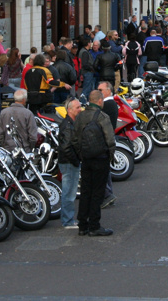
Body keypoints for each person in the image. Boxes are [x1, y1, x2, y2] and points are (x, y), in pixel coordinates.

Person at [73, 90, 115, 236]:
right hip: (100, 158)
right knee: (98, 192)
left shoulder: (80, 117)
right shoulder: (103, 117)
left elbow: (76, 138)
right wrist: (110, 156)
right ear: (100, 101)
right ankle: (94, 226)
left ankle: (82, 225)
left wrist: (81, 155)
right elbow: (110, 139)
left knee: (85, 191)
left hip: (86, 159)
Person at [58, 97, 82, 229]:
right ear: (70, 110)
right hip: (69, 162)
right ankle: (67, 221)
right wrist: (76, 160)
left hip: (69, 161)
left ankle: (68, 219)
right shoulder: (68, 125)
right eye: (78, 107)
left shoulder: (70, 123)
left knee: (70, 192)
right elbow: (66, 146)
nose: (80, 109)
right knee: (69, 192)